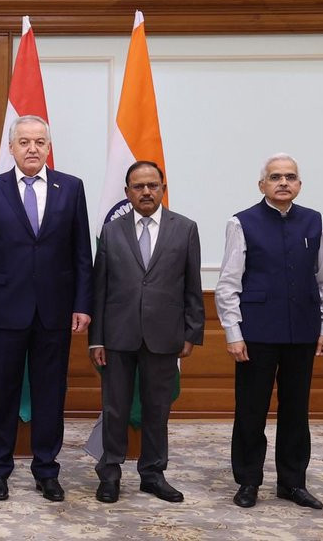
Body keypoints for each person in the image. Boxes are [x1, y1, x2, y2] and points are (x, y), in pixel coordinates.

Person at [0, 115, 92, 502]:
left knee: (51, 393)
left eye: (40, 142)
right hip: (5, 309)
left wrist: (82, 304)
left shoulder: (70, 188)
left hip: (55, 310)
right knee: (3, 394)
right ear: (11, 148)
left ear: (48, 147)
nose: (32, 149)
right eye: (24, 142)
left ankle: (46, 470)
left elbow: (81, 252)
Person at [215, 153, 323, 510]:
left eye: (290, 177)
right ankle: (248, 480)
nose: (283, 182)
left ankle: (292, 482)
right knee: (251, 409)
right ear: (262, 184)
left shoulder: (315, 222)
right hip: (257, 332)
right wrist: (233, 333)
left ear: (299, 184)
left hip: (303, 331)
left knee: (296, 409)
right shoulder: (241, 222)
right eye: (275, 177)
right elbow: (228, 284)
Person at [88, 161, 203, 504]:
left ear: (163, 189)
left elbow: (192, 285)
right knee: (115, 409)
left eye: (153, 185)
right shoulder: (111, 231)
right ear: (127, 193)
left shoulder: (185, 229)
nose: (146, 192)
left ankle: (153, 474)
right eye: (138, 187)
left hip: (164, 335)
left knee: (157, 409)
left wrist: (192, 332)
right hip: (117, 336)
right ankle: (110, 473)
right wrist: (96, 338)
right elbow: (99, 290)